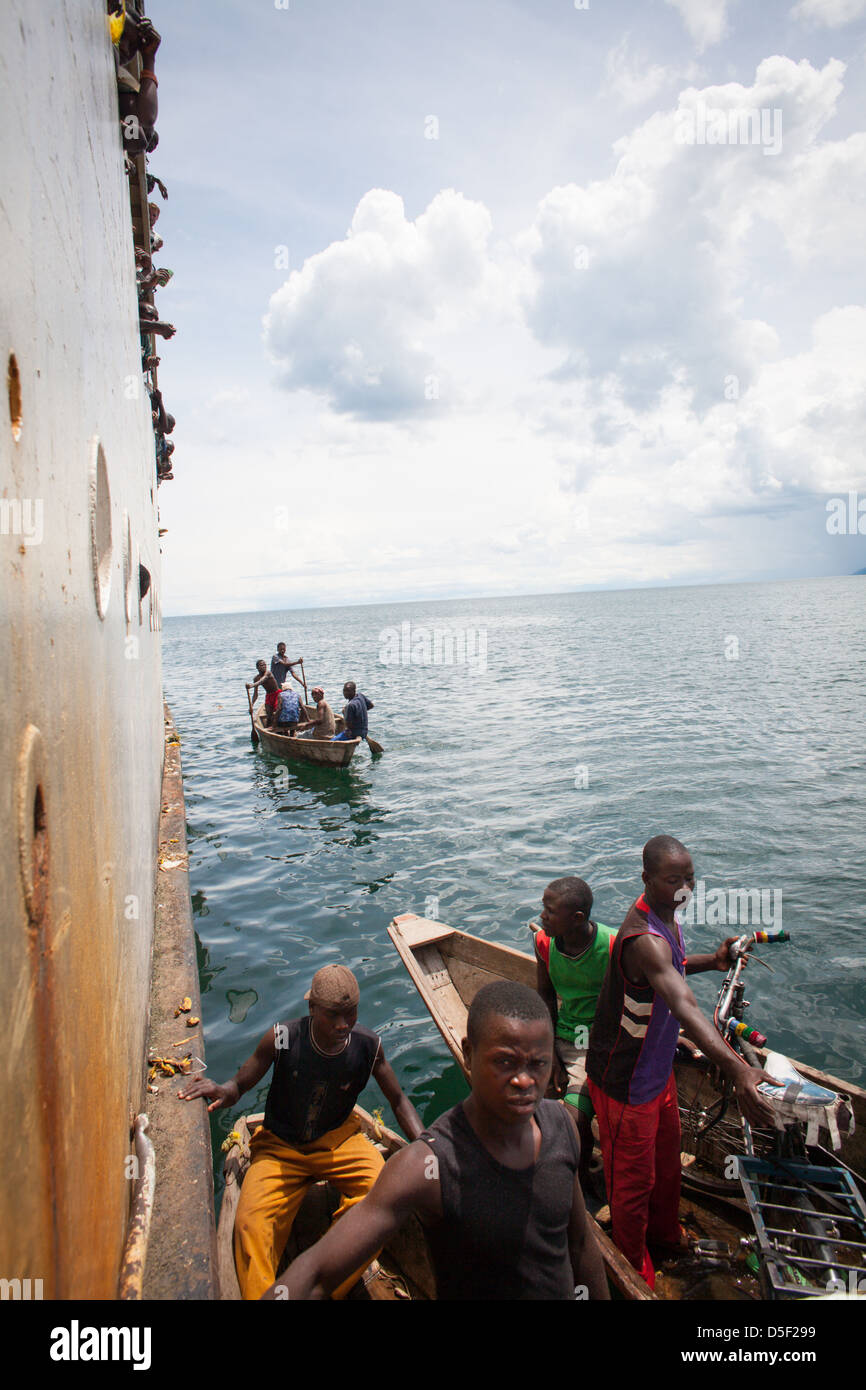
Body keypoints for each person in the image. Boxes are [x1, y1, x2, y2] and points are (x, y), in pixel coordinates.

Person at [262, 980, 610, 1301]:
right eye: (504, 1061)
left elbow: (580, 1244)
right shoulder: (429, 1166)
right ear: (469, 1055)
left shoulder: (561, 1126)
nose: (524, 1080)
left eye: (538, 1064)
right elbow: (317, 1274)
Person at [586, 835, 778, 1289]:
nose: (684, 887)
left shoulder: (666, 918)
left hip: (657, 1074)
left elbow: (673, 968)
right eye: (672, 879)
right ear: (647, 879)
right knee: (631, 1185)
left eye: (689, 877)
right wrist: (737, 1067)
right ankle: (635, 1267)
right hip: (624, 1083)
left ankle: (667, 1235)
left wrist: (712, 960)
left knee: (667, 1164)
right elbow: (682, 1003)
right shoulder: (642, 937)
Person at [179, 964, 423, 1300]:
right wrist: (223, 1091)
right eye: (333, 1015)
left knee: (382, 1197)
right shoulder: (282, 1037)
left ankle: (325, 1281)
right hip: (280, 1147)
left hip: (340, 1141)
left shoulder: (369, 1046)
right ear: (312, 1009)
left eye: (350, 1014)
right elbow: (240, 1083)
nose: (343, 1025)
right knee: (251, 1228)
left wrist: (427, 1144)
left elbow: (398, 1100)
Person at [534, 876, 614, 1189]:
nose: (542, 916)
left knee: (574, 1119)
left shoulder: (611, 947)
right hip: (561, 1038)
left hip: (598, 1043)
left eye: (550, 911)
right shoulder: (544, 942)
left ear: (577, 918)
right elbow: (545, 995)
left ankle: (577, 1181)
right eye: (544, 908)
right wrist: (550, 1050)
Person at [246, 659, 280, 726]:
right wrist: (251, 705)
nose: (264, 666)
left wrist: (251, 685)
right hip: (269, 696)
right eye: (262, 665)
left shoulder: (268, 673)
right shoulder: (256, 678)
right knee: (268, 714)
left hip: (277, 695)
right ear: (257, 668)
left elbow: (261, 681)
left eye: (265, 665)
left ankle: (279, 728)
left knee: (277, 713)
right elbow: (255, 694)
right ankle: (270, 727)